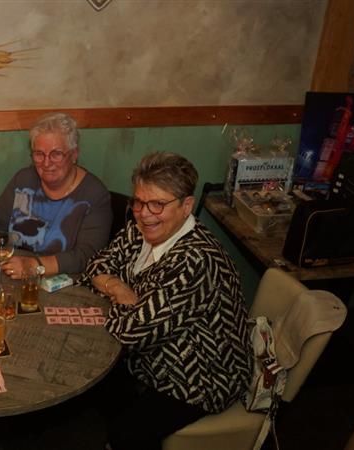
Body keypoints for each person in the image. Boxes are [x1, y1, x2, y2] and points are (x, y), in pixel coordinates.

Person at [79, 152, 252, 449]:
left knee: (123, 433)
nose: (144, 214)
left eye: (157, 204)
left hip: (200, 375)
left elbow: (130, 331)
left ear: (186, 206)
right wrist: (119, 288)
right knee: (91, 377)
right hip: (150, 354)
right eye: (139, 201)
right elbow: (93, 268)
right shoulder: (140, 230)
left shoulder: (195, 261)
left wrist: (114, 295)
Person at [0, 112, 112, 278]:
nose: (46, 163)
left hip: (64, 284)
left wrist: (35, 266)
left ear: (74, 154)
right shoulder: (23, 180)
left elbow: (86, 256)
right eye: (39, 154)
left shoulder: (95, 195)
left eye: (56, 154)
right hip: (12, 276)